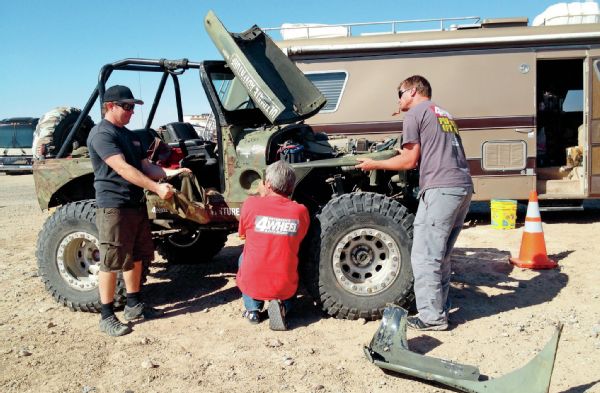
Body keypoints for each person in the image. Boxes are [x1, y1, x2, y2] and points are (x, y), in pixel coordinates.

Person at [356, 75, 473, 331]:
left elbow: (409, 162)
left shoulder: (415, 113)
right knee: (440, 255)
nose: (398, 100)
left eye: (399, 93)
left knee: (424, 256)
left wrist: (375, 163)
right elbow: (427, 152)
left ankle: (432, 318)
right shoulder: (441, 112)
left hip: (440, 189)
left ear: (411, 91)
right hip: (461, 186)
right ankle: (439, 308)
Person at [87, 85, 191, 337]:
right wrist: (156, 188)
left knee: (135, 256)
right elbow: (122, 169)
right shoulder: (102, 134)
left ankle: (134, 304)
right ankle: (107, 314)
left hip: (134, 205)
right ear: (110, 106)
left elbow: (146, 166)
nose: (132, 112)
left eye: (133, 107)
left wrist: (172, 173)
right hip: (114, 206)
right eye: (127, 106)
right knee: (112, 261)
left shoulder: (131, 136)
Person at [236, 160, 310, 331]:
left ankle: (253, 310)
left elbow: (243, 234)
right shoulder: (300, 211)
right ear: (291, 188)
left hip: (254, 279)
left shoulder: (251, 204)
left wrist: (263, 196)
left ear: (267, 184)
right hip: (284, 282)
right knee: (288, 257)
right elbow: (299, 238)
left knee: (244, 257)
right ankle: (282, 305)